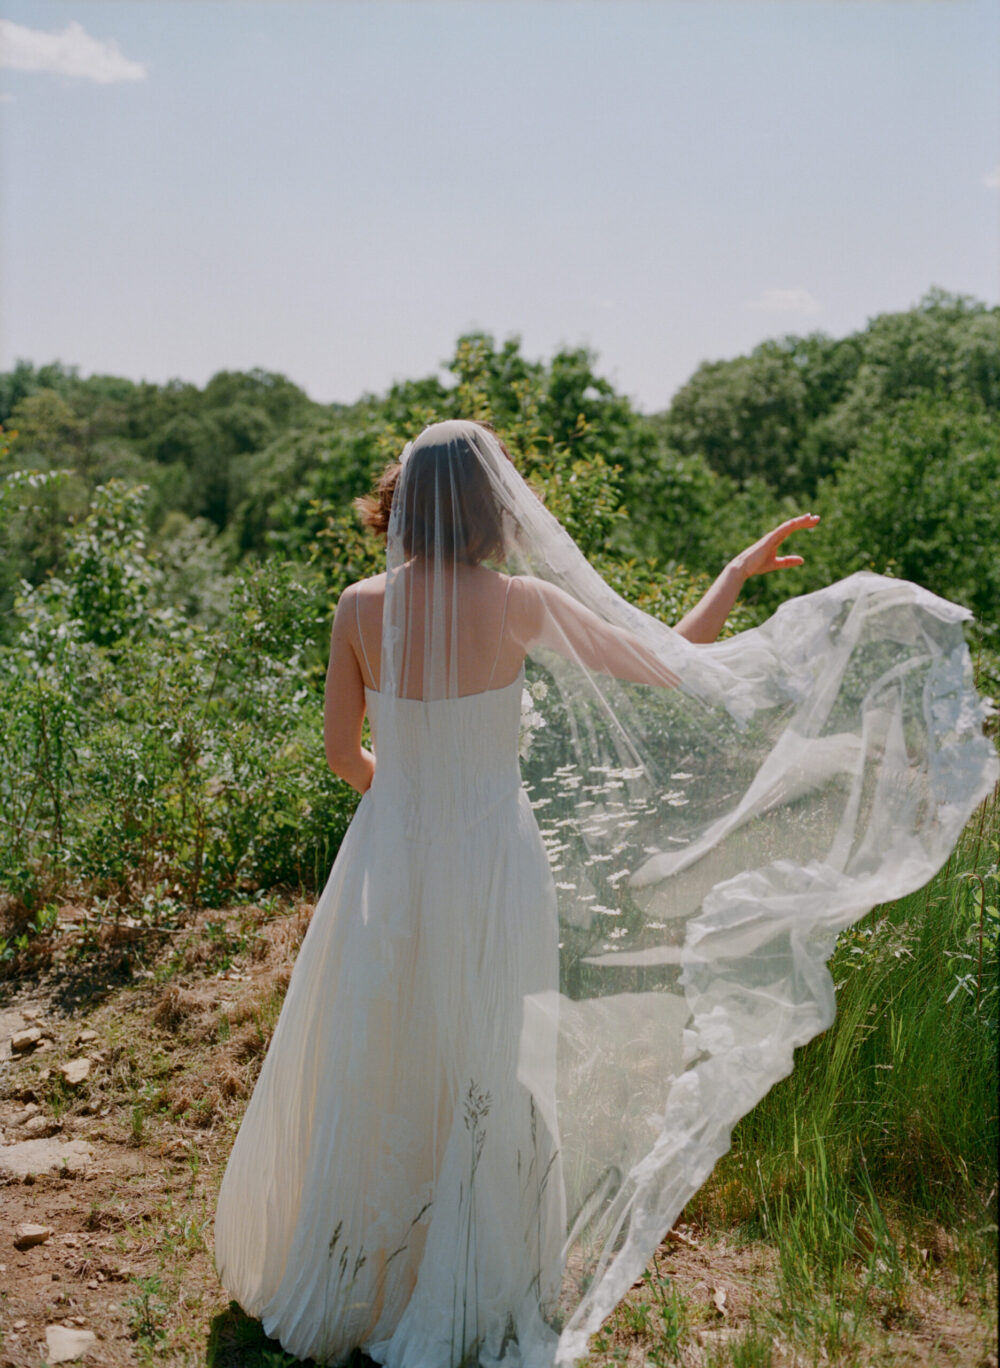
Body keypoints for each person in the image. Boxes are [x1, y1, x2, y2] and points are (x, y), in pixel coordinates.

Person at [215, 420, 997, 1368]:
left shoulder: (357, 606)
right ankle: (463, 1268)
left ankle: (351, 1268)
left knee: (377, 1043)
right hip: (495, 859)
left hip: (386, 856)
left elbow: (345, 757)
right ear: (491, 508)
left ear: (401, 505)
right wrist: (733, 578)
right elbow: (671, 661)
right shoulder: (519, 603)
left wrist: (413, 802)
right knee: (488, 1058)